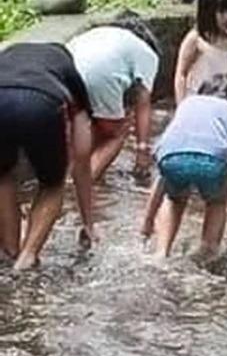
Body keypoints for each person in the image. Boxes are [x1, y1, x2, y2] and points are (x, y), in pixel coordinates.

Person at [0, 42, 96, 270]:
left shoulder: (8, 55)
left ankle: (9, 250)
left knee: (2, 176)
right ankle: (27, 256)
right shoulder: (68, 70)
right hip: (42, 104)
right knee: (52, 185)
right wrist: (88, 222)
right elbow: (82, 153)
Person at [140, 73, 227, 258]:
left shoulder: (187, 104)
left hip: (170, 156)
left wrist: (147, 223)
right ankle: (207, 252)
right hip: (212, 161)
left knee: (174, 199)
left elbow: (160, 180)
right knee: (216, 202)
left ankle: (161, 252)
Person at [66, 19, 161, 182]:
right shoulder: (147, 53)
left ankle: (65, 180)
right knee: (116, 133)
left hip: (63, 70)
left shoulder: (100, 33)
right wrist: (142, 148)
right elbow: (143, 102)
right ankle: (83, 183)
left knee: (78, 130)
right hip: (100, 75)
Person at [174, 0, 227, 102]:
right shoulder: (196, 39)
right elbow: (181, 74)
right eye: (221, 12)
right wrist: (181, 106)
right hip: (198, 99)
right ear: (207, 11)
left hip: (223, 98)